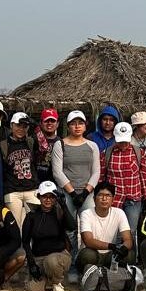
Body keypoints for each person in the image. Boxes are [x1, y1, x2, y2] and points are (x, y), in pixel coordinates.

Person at [51, 110, 101, 269]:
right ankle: (71, 264)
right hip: (68, 193)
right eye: (73, 123)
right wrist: (72, 193)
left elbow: (96, 171)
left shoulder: (92, 145)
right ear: (68, 126)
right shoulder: (60, 145)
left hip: (87, 193)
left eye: (80, 123)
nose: (77, 126)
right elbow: (57, 172)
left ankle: (87, 263)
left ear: (85, 126)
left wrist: (86, 192)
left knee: (89, 228)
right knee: (70, 231)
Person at [22, 181, 74, 291]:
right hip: (39, 258)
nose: (48, 200)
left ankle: (56, 282)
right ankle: (50, 282)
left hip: (60, 256)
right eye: (45, 196)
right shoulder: (31, 216)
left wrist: (64, 205)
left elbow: (72, 227)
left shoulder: (59, 212)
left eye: (52, 197)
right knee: (32, 290)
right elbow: (25, 242)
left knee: (51, 261)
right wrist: (32, 264)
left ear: (55, 199)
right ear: (39, 197)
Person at [99, 122, 146, 233]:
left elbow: (143, 175)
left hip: (133, 198)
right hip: (114, 199)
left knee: (130, 231)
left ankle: (130, 250)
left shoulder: (139, 153)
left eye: (126, 141)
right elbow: (101, 177)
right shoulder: (106, 153)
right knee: (113, 230)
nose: (123, 144)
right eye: (120, 141)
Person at [76, 182, 133, 275]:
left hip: (110, 255)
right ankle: (88, 275)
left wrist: (123, 248)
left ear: (113, 199)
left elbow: (128, 240)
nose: (104, 199)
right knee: (88, 255)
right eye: (100, 195)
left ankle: (111, 276)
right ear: (94, 199)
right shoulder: (86, 214)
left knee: (129, 254)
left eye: (108, 195)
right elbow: (88, 241)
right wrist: (112, 246)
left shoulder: (119, 213)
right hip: (93, 253)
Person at [0, 112, 40, 228]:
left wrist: (34, 124)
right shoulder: (4, 144)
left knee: (36, 224)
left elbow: (44, 145)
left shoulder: (31, 142)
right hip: (12, 190)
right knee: (14, 226)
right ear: (12, 125)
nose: (21, 129)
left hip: (31, 188)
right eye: (18, 125)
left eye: (24, 126)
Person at [33, 108, 60, 183]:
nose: (49, 123)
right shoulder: (32, 140)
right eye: (46, 121)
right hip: (35, 183)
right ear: (41, 123)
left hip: (55, 183)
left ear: (57, 124)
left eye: (53, 121)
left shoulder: (61, 142)